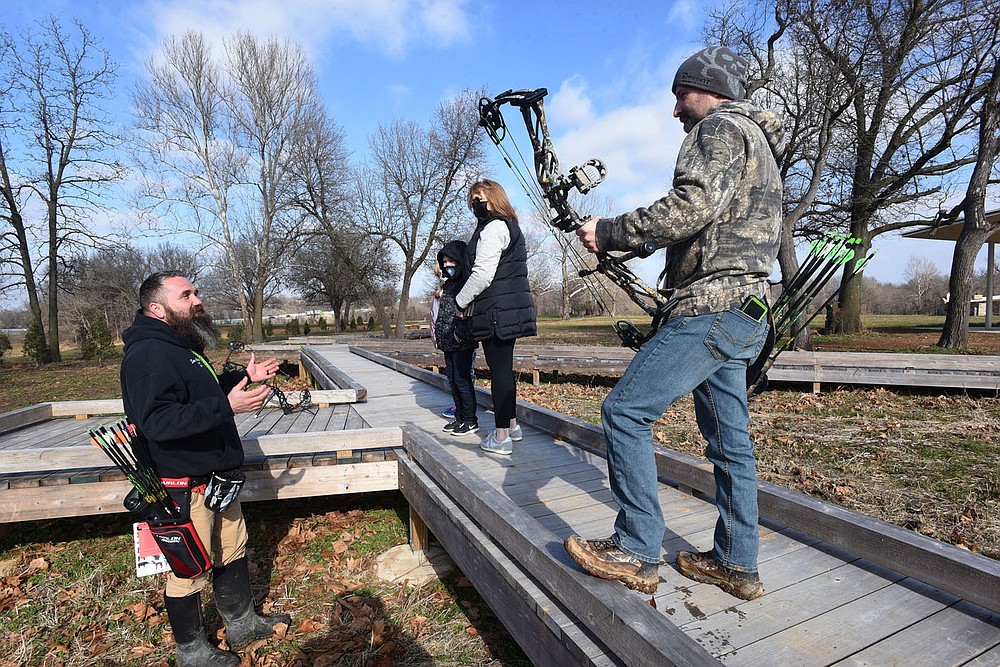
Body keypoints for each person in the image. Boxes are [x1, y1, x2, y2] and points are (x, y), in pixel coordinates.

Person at [565, 45, 784, 600]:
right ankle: (737, 563)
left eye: (681, 94)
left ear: (710, 90)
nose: (676, 110)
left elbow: (690, 207)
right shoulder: (759, 142)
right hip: (748, 310)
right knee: (730, 443)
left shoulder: (718, 130)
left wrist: (610, 232)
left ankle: (637, 549)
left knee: (624, 410)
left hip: (711, 308)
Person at [120, 271, 291, 666]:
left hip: (216, 476)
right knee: (189, 569)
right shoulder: (148, 353)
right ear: (158, 309)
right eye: (186, 295)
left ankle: (242, 624)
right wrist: (227, 407)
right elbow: (157, 422)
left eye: (196, 292)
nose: (197, 300)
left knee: (230, 548)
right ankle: (192, 652)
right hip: (183, 484)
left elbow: (199, 389)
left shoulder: (178, 344)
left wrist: (243, 377)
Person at [455, 179, 537, 454]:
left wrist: (460, 301)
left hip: (496, 313)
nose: (475, 206)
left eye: (479, 199)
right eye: (472, 202)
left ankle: (501, 437)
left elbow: (482, 274)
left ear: (494, 198)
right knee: (504, 370)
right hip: (507, 310)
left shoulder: (493, 229)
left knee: (499, 372)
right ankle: (511, 424)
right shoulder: (510, 227)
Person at [434, 240, 480, 436]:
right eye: (444, 262)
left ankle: (470, 419)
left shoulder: (466, 284)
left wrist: (460, 333)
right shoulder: (449, 284)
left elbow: (467, 314)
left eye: (451, 261)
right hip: (448, 342)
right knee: (452, 380)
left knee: (463, 380)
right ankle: (460, 417)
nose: (447, 265)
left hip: (462, 340)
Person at [429, 264, 457, 419]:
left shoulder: (455, 290)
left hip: (458, 338)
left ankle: (463, 410)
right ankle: (457, 405)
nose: (442, 276)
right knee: (452, 376)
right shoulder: (438, 294)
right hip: (445, 339)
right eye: (438, 274)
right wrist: (435, 338)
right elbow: (434, 317)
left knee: (463, 376)